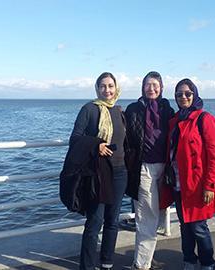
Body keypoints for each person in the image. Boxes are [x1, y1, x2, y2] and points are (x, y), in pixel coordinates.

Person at [60, 72, 127, 270]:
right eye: (103, 86)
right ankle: (87, 266)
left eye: (110, 86)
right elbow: (75, 138)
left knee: (113, 221)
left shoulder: (119, 111)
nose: (107, 90)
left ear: (116, 88)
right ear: (97, 89)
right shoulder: (89, 109)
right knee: (95, 222)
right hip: (99, 173)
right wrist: (96, 145)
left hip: (120, 172)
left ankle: (106, 263)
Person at [160, 78, 215, 270]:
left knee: (198, 227)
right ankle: (189, 261)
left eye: (187, 93)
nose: (183, 97)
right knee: (185, 226)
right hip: (179, 183)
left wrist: (210, 185)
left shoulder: (204, 119)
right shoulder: (175, 121)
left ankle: (207, 263)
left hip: (198, 184)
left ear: (194, 94)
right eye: (179, 94)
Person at [124, 71, 174, 270]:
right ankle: (141, 264)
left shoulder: (167, 110)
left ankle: (145, 257)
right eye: (147, 84)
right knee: (147, 216)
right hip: (143, 167)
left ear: (161, 88)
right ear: (142, 87)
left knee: (158, 212)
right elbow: (125, 136)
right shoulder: (133, 109)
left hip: (165, 168)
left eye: (155, 85)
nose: (151, 88)